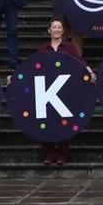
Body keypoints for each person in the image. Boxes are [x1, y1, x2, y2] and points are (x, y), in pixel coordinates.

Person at [37, 19, 87, 165]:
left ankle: (62, 155)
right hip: (46, 91)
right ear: (49, 30)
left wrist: (89, 71)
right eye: (54, 27)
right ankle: (48, 154)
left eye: (59, 27)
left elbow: (80, 62)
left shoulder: (70, 47)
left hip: (64, 90)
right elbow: (34, 67)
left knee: (64, 122)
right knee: (46, 121)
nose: (57, 29)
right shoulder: (43, 48)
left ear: (63, 31)